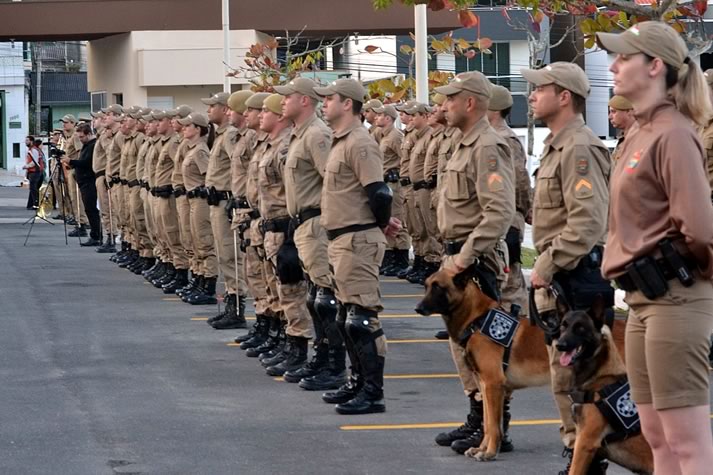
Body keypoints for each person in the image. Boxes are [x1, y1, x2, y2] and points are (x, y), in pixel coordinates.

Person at [597, 21, 713, 474]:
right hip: (643, 299)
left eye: (625, 57)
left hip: (675, 298)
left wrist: (685, 274)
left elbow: (701, 230)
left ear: (655, 66)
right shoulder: (640, 133)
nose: (614, 65)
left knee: (687, 442)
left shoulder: (673, 133)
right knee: (658, 437)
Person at [521, 62, 611, 474]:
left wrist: (549, 262)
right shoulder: (557, 144)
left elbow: (587, 222)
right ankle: (576, 453)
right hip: (561, 278)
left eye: (541, 88)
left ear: (565, 97)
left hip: (575, 274)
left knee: (586, 377)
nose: (532, 95)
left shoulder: (578, 147)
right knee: (565, 376)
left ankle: (587, 458)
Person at [430, 72, 516, 454]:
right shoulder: (462, 143)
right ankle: (479, 420)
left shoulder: (488, 146)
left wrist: (463, 260)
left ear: (470, 103)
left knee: (485, 348)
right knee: (463, 347)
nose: (444, 105)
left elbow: (498, 212)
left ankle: (496, 428)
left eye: (451, 98)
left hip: (475, 262)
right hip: (459, 257)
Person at [314, 78, 400, 415]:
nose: (324, 104)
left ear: (347, 103)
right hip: (342, 238)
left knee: (362, 319)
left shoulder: (360, 143)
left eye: (330, 99)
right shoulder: (340, 141)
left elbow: (378, 192)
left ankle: (372, 392)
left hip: (357, 239)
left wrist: (379, 223)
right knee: (345, 316)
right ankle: (356, 382)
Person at [275, 77, 347, 389]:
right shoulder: (299, 134)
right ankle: (321, 357)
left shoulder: (317, 135)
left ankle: (333, 366)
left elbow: (333, 182)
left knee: (325, 298)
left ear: (304, 100)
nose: (281, 102)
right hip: (303, 224)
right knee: (316, 297)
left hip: (318, 223)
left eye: (287, 96)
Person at [202, 92, 247, 330]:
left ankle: (237, 307)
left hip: (225, 201)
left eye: (213, 107)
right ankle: (231, 303)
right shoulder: (220, 135)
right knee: (224, 255)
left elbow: (239, 167)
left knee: (231, 256)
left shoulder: (230, 135)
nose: (209, 111)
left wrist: (234, 195)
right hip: (216, 201)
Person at [486, 85, 531, 319]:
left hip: (508, 218)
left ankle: (520, 329)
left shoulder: (506, 139)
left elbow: (519, 182)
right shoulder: (489, 137)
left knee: (510, 282)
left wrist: (521, 213)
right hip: (497, 218)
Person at [178, 112, 219, 305]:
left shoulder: (201, 150)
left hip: (201, 201)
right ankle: (199, 280)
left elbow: (209, 176)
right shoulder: (191, 149)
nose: (184, 128)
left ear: (198, 129)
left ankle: (208, 286)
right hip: (192, 200)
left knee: (204, 242)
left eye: (188, 126)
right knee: (194, 241)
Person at [374, 104, 411, 276]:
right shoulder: (381, 135)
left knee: (398, 219)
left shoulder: (396, 136)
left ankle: (401, 260)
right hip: (385, 182)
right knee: (388, 219)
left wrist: (399, 173)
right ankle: (391, 259)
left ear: (388, 118)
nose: (376, 118)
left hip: (394, 183)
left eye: (380, 115)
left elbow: (405, 158)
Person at [63, 123, 102, 246]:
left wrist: (72, 161)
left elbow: (86, 162)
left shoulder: (92, 145)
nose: (80, 139)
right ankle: (95, 235)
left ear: (89, 134)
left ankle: (96, 235)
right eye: (79, 137)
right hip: (83, 180)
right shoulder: (86, 145)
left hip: (89, 180)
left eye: (82, 137)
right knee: (88, 208)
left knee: (91, 209)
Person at [60, 114, 88, 236]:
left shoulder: (76, 136)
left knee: (76, 197)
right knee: (72, 196)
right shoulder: (68, 137)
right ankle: (78, 220)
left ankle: (81, 221)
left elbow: (80, 152)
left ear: (73, 123)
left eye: (66, 122)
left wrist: (75, 165)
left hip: (74, 168)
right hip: (69, 168)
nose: (64, 125)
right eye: (63, 122)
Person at [607, 95, 635, 163]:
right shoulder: (623, 139)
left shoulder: (638, 139)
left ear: (628, 111)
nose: (609, 117)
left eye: (613, 112)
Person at [23, 135, 44, 209]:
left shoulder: (34, 150)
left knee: (34, 189)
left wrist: (26, 166)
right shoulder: (30, 149)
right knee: (33, 188)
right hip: (33, 172)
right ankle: (31, 204)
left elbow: (34, 162)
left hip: (35, 172)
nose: (26, 142)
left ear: (31, 141)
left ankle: (36, 204)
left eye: (27, 140)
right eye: (26, 140)